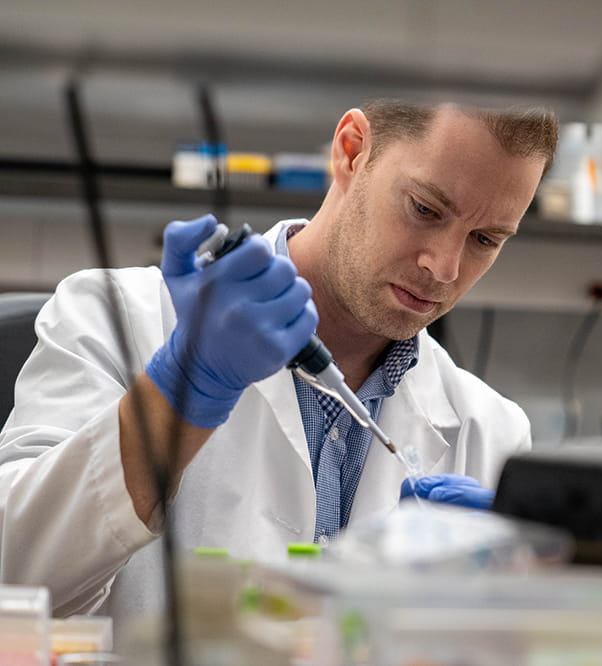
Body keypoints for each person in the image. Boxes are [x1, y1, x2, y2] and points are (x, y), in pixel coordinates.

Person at [0, 99, 558, 620]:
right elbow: (16, 574)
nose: (444, 266)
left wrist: (511, 597)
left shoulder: (492, 431)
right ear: (352, 151)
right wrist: (180, 393)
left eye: (486, 239)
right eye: (425, 209)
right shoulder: (118, 317)